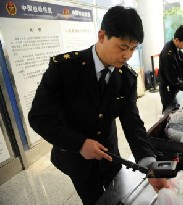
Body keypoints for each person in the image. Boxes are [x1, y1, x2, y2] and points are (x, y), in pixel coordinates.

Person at [28, 6, 167, 205]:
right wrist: (80, 143)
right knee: (93, 199)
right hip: (76, 157)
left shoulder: (126, 78)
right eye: (122, 47)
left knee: (117, 196)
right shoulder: (64, 69)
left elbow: (132, 121)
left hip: (110, 155)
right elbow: (39, 118)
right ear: (102, 36)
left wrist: (148, 163)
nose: (127, 55)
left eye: (133, 48)